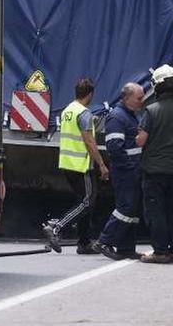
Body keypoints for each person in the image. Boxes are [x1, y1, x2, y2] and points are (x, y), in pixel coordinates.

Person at [43, 78, 110, 254]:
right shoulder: (84, 113)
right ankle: (56, 226)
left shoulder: (68, 110)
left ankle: (84, 242)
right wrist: (101, 164)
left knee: (83, 203)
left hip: (67, 163)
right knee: (87, 202)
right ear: (90, 94)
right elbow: (89, 141)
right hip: (81, 165)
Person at [136, 65, 173, 264]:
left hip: (154, 171)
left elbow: (141, 141)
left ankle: (160, 251)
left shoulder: (151, 111)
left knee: (156, 210)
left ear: (157, 87)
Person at [97, 83, 146, 261]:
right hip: (126, 172)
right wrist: (130, 167)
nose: (142, 101)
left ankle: (126, 248)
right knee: (126, 207)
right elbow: (114, 148)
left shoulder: (129, 116)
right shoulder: (117, 117)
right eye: (139, 98)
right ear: (126, 98)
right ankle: (105, 240)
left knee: (132, 209)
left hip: (132, 170)